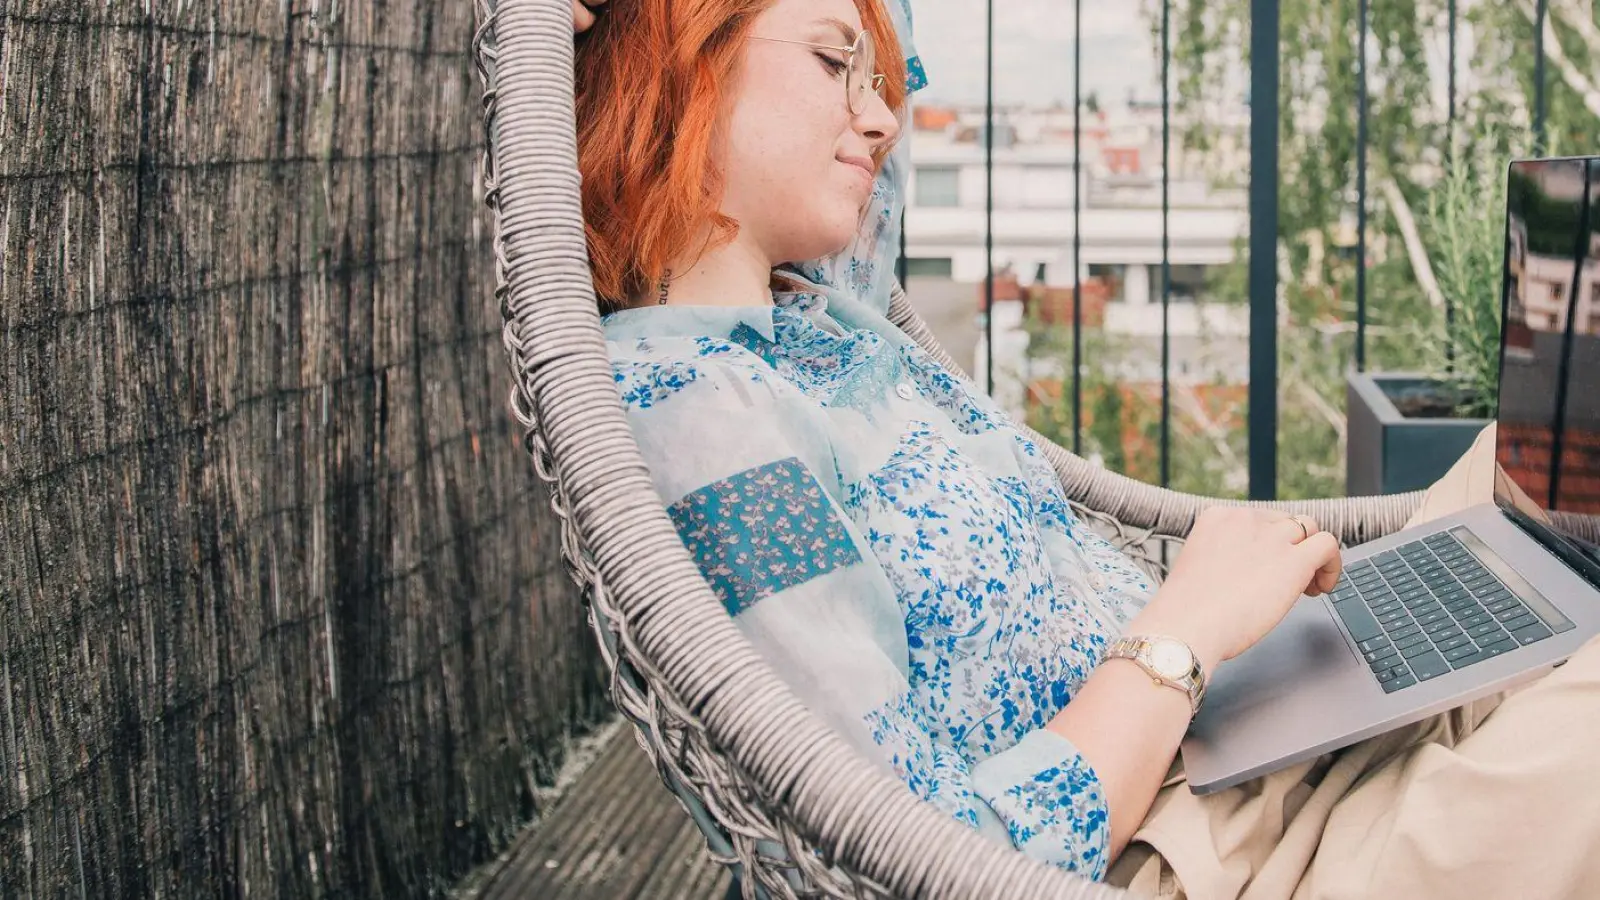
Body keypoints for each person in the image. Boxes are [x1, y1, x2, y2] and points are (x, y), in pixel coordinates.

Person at [570, 2, 1600, 897]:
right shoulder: (706, 415)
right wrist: (1182, 631)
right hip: (1182, 853)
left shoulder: (819, 318)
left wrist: (1216, 645)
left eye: (877, 78)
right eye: (836, 63)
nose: (881, 116)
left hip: (1244, 737)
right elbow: (924, 853)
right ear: (679, 69)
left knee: (1535, 484)